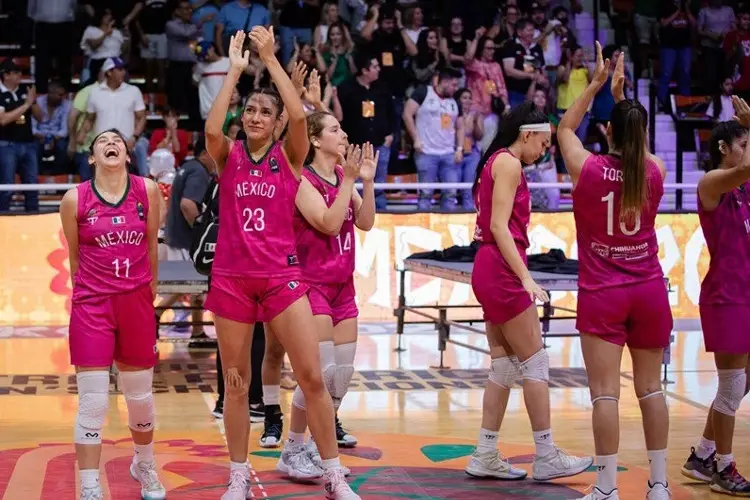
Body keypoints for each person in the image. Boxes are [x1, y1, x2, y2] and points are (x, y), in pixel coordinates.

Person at [202, 28, 359, 499]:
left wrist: (269, 60)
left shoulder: (290, 158)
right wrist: (234, 70)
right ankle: (237, 476)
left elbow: (297, 113)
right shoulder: (226, 154)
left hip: (283, 278)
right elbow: (212, 128)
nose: (254, 116)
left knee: (312, 377)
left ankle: (332, 473)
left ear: (274, 124)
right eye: (249, 110)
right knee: (235, 383)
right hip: (232, 279)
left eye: (262, 112)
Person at [557, 43, 672, 500]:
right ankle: (659, 485)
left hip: (603, 292)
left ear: (606, 132)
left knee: (605, 395)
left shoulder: (586, 167)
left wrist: (599, 85)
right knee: (651, 390)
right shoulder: (657, 170)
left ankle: (606, 488)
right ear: (642, 133)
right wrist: (624, 100)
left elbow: (565, 127)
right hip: (648, 290)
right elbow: (638, 153)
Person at [465, 101, 593, 481]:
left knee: (504, 366)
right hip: (501, 270)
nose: (545, 149)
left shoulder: (497, 161)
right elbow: (500, 226)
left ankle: (485, 453)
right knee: (535, 362)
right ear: (528, 134)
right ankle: (547, 453)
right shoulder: (508, 163)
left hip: (489, 267)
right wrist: (524, 276)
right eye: (544, 142)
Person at [59, 129, 165, 500]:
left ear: (127, 153)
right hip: (93, 305)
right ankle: (89, 484)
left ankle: (144, 464)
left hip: (135, 301)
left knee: (140, 397)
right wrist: (89, 292)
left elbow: (152, 244)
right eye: (103, 141)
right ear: (92, 157)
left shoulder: (147, 191)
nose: (111, 143)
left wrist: (146, 291)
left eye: (117, 141)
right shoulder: (75, 199)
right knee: (93, 400)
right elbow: (74, 258)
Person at [275, 113, 377, 479]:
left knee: (342, 376)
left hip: (343, 285)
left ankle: (320, 448)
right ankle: (293, 448)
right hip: (310, 284)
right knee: (318, 375)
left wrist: (366, 182)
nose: (344, 134)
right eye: (335, 129)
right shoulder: (303, 179)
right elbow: (330, 223)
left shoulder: (340, 177)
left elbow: (364, 223)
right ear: (315, 141)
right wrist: (349, 180)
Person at [680, 96, 750, 496]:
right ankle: (724, 466)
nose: (744, 149)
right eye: (740, 142)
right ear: (723, 148)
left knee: (742, 382)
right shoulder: (710, 183)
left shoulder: (744, 188)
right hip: (727, 296)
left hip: (746, 293)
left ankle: (703, 454)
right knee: (730, 386)